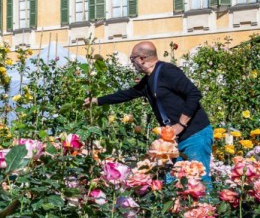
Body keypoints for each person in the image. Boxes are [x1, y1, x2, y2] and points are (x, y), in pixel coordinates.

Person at [84, 41, 212, 183]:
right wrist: (97, 101)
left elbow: (194, 94)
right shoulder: (149, 80)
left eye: (133, 59)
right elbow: (127, 94)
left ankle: (208, 205)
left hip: (195, 133)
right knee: (175, 181)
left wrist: (181, 124)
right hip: (176, 138)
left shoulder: (167, 71)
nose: (132, 63)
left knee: (197, 179)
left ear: (142, 58)